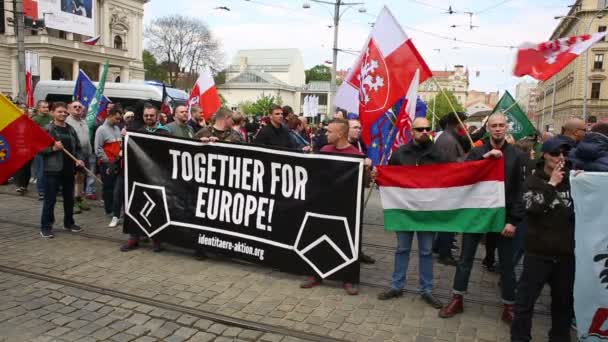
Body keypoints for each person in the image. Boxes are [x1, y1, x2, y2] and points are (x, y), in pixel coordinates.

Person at [440, 113, 525, 324]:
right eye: (493, 125)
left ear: (507, 128)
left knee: (506, 264)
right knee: (465, 259)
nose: (497, 129)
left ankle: (509, 305)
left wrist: (513, 221)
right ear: (488, 128)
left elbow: (521, 192)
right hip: (476, 215)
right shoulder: (477, 151)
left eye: (501, 125)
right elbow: (463, 176)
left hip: (503, 216)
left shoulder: (516, 155)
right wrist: (482, 160)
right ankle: (457, 298)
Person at [511, 137, 575, 342]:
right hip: (538, 254)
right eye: (556, 153)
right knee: (524, 303)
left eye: (564, 154)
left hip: (566, 256)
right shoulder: (532, 180)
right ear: (545, 155)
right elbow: (532, 208)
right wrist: (551, 185)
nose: (561, 158)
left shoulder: (573, 179)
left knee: (563, 305)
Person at [376, 117, 444, 308]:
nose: (424, 131)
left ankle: (427, 290)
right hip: (404, 211)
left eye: (427, 128)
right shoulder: (400, 154)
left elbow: (452, 178)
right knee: (402, 249)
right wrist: (378, 176)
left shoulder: (439, 154)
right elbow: (388, 180)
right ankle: (397, 286)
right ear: (411, 131)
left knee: (426, 251)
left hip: (428, 212)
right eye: (419, 129)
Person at [300, 118, 368, 295]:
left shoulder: (356, 155)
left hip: (346, 207)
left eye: (329, 131)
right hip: (324, 204)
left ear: (340, 134)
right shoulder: (324, 150)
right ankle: (316, 274)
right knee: (317, 237)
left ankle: (348, 279)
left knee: (347, 242)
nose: (326, 134)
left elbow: (363, 184)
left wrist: (367, 170)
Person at [120, 104, 165, 252]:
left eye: (151, 115)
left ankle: (156, 239)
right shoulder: (137, 132)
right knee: (135, 205)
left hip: (158, 177)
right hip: (139, 176)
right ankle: (134, 237)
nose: (149, 118)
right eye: (146, 115)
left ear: (157, 116)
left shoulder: (165, 133)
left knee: (157, 207)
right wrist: (124, 137)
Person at [39, 102, 85, 238]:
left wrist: (79, 159)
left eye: (65, 112)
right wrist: (52, 148)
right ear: (52, 113)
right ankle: (46, 227)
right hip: (52, 170)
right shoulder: (47, 129)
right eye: (59, 111)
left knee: (69, 198)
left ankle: (69, 222)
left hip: (68, 169)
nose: (63, 114)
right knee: (50, 199)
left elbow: (78, 147)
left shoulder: (71, 129)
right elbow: (39, 150)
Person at [432, 112, 469, 267]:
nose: (464, 126)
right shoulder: (448, 140)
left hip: (446, 185)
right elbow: (451, 165)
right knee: (449, 221)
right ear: (456, 123)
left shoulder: (449, 137)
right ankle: (444, 254)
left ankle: (439, 247)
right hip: (448, 186)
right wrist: (468, 158)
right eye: (463, 122)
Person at [94, 107, 123, 217]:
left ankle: (115, 208)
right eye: (117, 118)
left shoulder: (117, 128)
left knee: (116, 187)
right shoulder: (101, 129)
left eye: (120, 119)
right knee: (108, 187)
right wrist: (107, 161)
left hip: (117, 162)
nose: (118, 121)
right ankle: (109, 210)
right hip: (107, 164)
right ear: (110, 116)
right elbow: (98, 149)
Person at [65, 101, 92, 214]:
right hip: (73, 155)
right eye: (74, 107)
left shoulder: (83, 121)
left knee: (81, 178)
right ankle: (72, 202)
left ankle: (79, 199)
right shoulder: (67, 122)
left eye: (79, 107)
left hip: (84, 155)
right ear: (69, 109)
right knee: (73, 179)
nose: (77, 108)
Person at [32, 100, 52, 200]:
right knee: (41, 171)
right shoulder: (35, 119)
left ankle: (50, 189)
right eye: (44, 107)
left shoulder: (51, 117)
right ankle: (41, 191)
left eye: (47, 107)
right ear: (39, 108)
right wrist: (45, 129)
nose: (46, 109)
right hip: (39, 149)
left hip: (50, 148)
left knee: (50, 170)